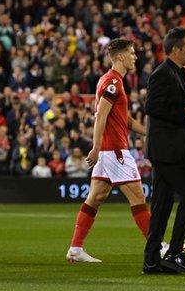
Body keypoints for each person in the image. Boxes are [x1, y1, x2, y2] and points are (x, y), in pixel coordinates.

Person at [65, 38, 151, 263]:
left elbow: (126, 120)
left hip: (109, 151)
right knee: (138, 196)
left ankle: (75, 248)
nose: (135, 57)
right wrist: (95, 147)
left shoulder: (112, 81)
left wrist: (150, 134)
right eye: (132, 53)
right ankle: (158, 246)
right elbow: (100, 116)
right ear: (121, 56)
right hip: (115, 150)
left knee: (96, 197)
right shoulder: (113, 82)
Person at [143, 27, 185, 275]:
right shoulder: (163, 73)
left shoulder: (176, 73)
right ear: (175, 49)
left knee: (162, 206)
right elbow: (152, 107)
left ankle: (151, 261)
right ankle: (174, 253)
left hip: (169, 149)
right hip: (167, 151)